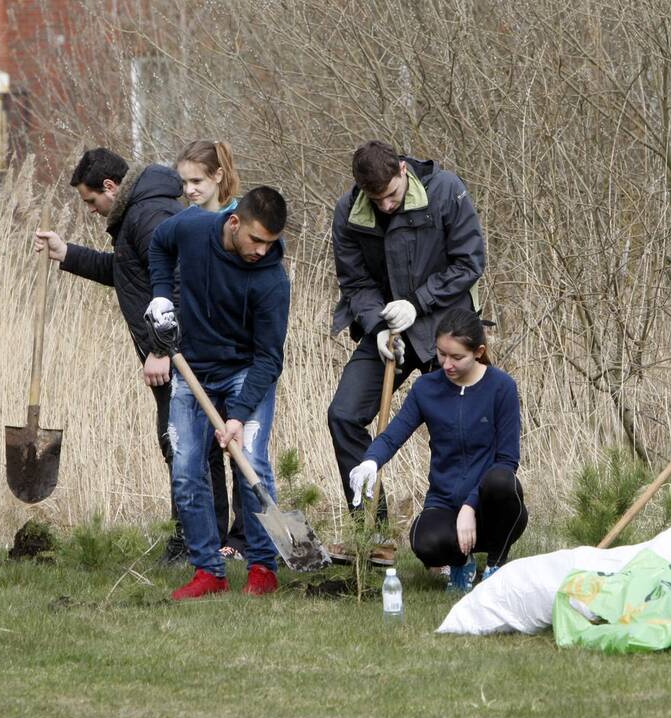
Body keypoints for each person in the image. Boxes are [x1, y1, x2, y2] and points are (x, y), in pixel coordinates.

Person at [328, 140, 487, 559]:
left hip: (444, 327)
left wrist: (417, 302)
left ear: (402, 170)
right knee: (343, 415)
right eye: (376, 199)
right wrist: (376, 326)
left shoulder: (445, 190)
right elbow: (355, 282)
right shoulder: (348, 211)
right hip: (387, 331)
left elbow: (469, 262)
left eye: (392, 196)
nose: (385, 206)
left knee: (459, 425)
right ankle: (373, 534)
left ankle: (459, 537)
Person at [33, 147, 189, 564]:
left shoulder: (150, 215)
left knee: (181, 444)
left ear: (110, 186)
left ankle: (190, 542)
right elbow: (125, 273)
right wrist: (67, 253)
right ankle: (192, 540)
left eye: (90, 201)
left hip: (180, 355)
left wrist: (160, 349)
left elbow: (178, 284)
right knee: (176, 442)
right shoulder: (133, 216)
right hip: (168, 353)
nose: (90, 210)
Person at [146, 186, 290, 600]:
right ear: (233, 222)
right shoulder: (192, 228)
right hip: (192, 368)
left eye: (271, 243)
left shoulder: (271, 282)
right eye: (256, 239)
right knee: (187, 468)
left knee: (252, 464)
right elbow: (159, 244)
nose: (262, 250)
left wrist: (237, 416)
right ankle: (209, 571)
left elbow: (268, 359)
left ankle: (263, 567)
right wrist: (160, 294)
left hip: (247, 372)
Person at [347, 308, 527, 593]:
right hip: (445, 501)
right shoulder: (427, 388)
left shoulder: (501, 387)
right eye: (442, 354)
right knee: (424, 541)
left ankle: (496, 563)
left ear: (478, 352)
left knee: (502, 480)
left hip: (492, 502)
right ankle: (460, 561)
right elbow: (393, 435)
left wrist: (470, 505)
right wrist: (370, 461)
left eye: (457, 357)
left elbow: (507, 460)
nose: (446, 364)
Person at [174, 139, 247, 561]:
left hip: (238, 356)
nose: (190, 190)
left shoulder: (241, 221)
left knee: (243, 450)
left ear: (218, 177)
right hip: (196, 356)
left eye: (197, 181)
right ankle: (214, 539)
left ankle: (243, 538)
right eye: (184, 182)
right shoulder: (183, 225)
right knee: (202, 452)